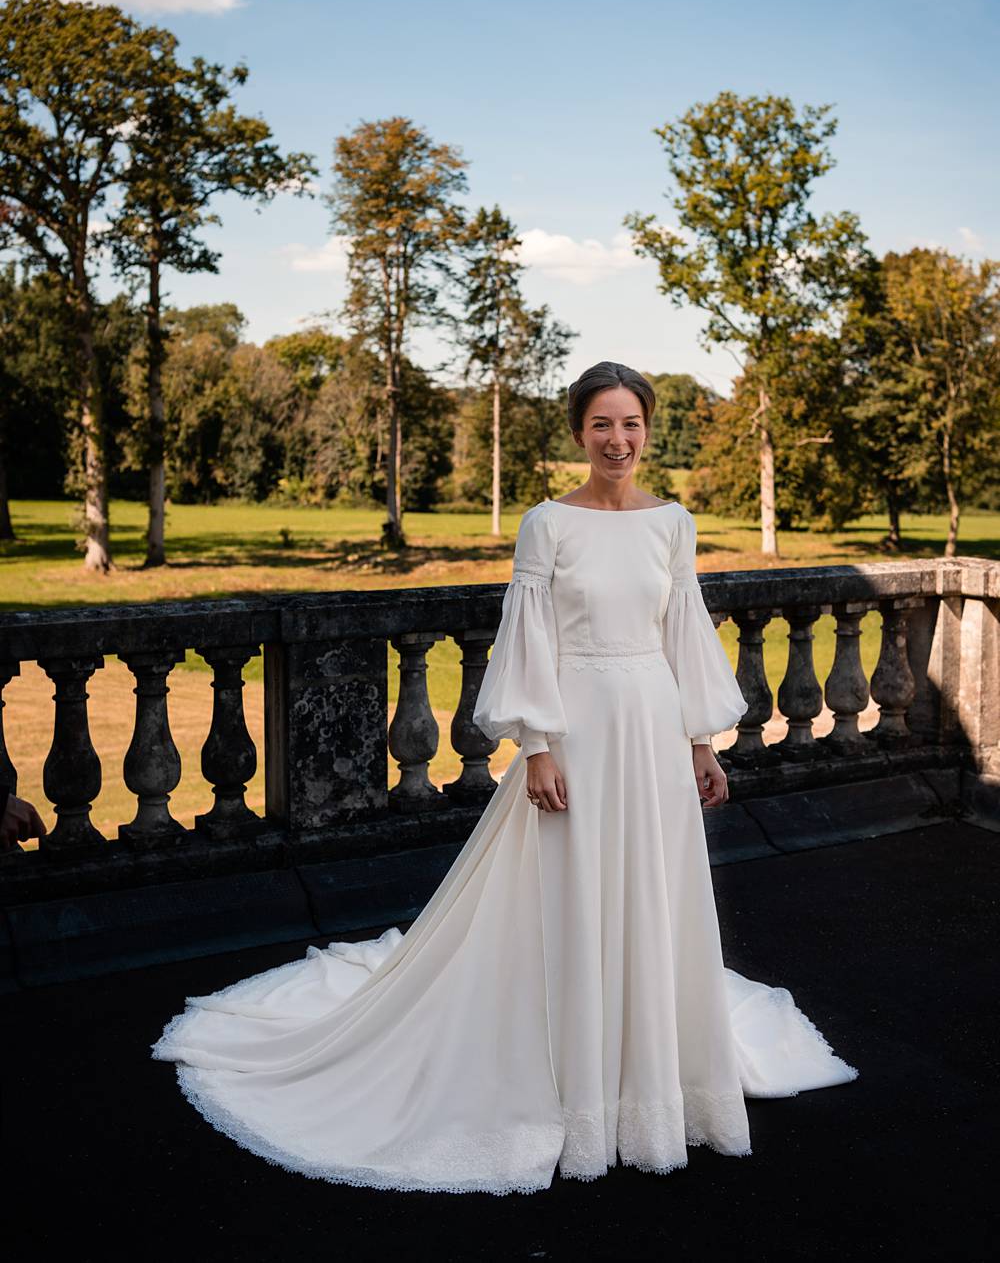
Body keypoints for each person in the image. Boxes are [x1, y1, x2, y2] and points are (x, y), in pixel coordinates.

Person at [152, 360, 857, 1194]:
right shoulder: (545, 525)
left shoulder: (674, 522)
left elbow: (683, 630)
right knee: (572, 894)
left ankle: (653, 1080)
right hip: (581, 730)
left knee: (653, 896)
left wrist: (701, 741)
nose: (618, 440)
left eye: (630, 424)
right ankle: (572, 1078)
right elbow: (529, 643)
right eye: (601, 424)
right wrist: (539, 746)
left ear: (647, 429)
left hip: (654, 731)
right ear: (577, 434)